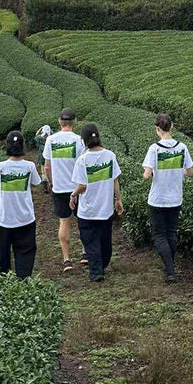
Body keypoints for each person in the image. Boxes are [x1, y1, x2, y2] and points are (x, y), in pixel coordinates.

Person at [142, 114, 193, 282]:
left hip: (157, 199)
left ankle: (170, 270)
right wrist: (180, 171)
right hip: (175, 197)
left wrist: (147, 172)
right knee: (171, 233)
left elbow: (147, 175)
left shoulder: (154, 149)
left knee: (159, 235)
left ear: (157, 129)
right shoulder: (182, 147)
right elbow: (190, 172)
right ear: (171, 127)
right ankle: (170, 267)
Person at [70, 122, 122, 283]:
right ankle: (102, 263)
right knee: (105, 238)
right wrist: (118, 199)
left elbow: (82, 186)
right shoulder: (110, 155)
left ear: (83, 140)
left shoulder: (83, 160)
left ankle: (96, 272)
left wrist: (73, 195)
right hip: (105, 207)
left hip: (88, 209)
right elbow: (115, 180)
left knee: (90, 240)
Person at [0, 129, 42, 279]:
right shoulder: (29, 166)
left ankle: (4, 279)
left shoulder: (0, 167)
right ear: (22, 146)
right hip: (24, 216)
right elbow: (37, 182)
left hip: (4, 217)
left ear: (7, 146)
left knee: (3, 252)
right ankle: (23, 278)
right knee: (25, 250)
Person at [42, 108, 86, 274]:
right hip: (78, 187)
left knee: (64, 221)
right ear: (74, 122)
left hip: (60, 188)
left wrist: (52, 182)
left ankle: (67, 259)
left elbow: (47, 166)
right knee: (83, 220)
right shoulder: (79, 140)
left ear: (60, 122)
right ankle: (85, 253)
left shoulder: (51, 140)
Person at [33, 122, 53, 191]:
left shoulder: (39, 138)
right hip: (50, 156)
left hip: (42, 156)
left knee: (43, 171)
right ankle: (50, 183)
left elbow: (36, 136)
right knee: (50, 170)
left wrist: (40, 129)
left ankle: (45, 186)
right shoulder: (51, 138)